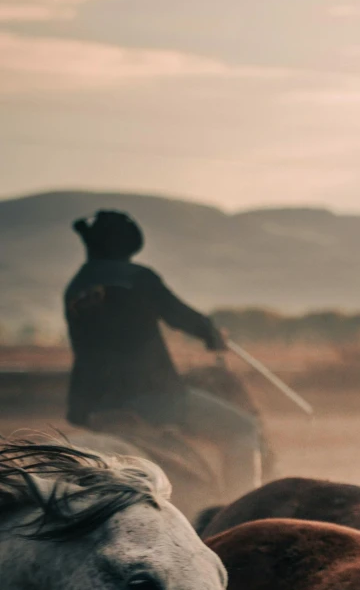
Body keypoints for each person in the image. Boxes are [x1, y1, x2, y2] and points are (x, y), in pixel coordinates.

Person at [64, 209, 261, 493]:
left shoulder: (76, 286)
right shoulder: (137, 277)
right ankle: (240, 508)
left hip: (93, 403)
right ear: (125, 243)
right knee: (243, 429)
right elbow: (178, 315)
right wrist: (211, 334)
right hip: (150, 395)